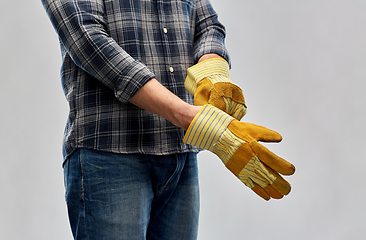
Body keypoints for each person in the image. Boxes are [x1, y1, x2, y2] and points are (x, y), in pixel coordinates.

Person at [42, 0, 295, 239]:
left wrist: (213, 77)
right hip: (110, 155)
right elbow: (88, 42)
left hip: (180, 157)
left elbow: (207, 24)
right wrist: (188, 117)